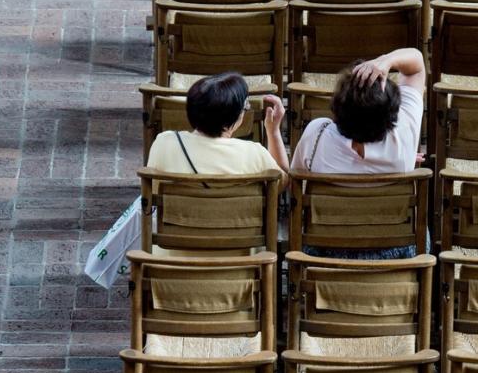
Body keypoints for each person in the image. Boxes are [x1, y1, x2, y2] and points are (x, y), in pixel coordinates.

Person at [291, 47, 426, 259]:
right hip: (397, 251)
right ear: (393, 114)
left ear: (337, 109)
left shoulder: (316, 135)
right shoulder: (406, 135)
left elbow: (293, 185)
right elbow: (416, 66)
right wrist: (385, 60)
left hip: (326, 252)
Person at [146, 72, 289, 183]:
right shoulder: (255, 154)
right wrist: (273, 131)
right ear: (235, 116)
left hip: (178, 221)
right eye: (245, 106)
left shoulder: (164, 143)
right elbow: (283, 182)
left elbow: (154, 189)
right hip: (236, 221)